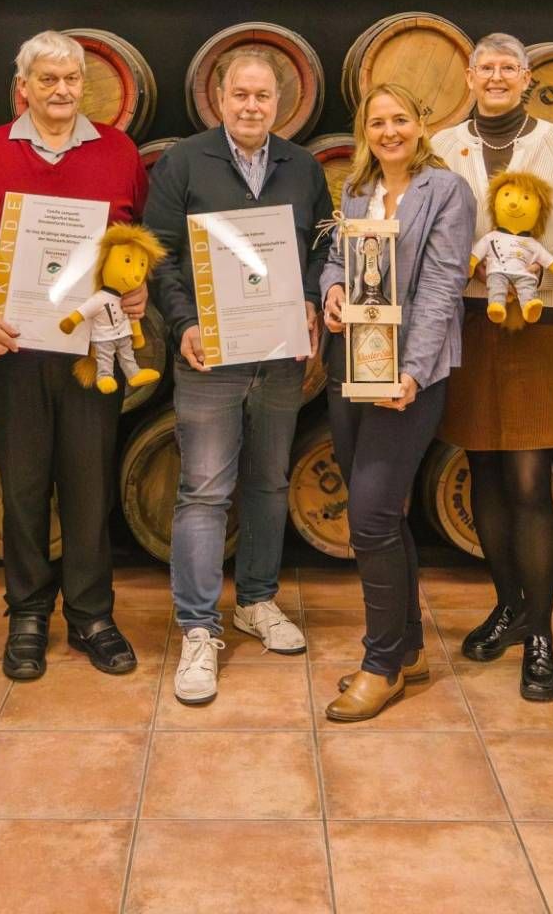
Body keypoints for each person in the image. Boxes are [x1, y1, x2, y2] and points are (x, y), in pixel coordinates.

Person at [0, 30, 149, 680]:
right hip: (12, 348)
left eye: (72, 79)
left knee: (90, 485)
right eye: (48, 79)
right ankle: (29, 614)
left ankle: (92, 615)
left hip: (93, 348)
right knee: (23, 484)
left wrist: (139, 285)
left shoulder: (119, 152)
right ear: (23, 87)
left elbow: (137, 238)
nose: (62, 90)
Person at [143, 48, 330, 705]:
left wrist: (310, 297)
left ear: (278, 103)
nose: (252, 106)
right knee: (203, 491)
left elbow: (322, 247)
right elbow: (159, 253)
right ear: (220, 99)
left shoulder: (302, 167)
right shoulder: (184, 162)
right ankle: (198, 628)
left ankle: (256, 601)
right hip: (210, 354)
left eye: (263, 96)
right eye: (241, 95)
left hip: (279, 356)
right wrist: (184, 324)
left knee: (270, 482)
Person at [432, 33, 553, 701]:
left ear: (527, 78)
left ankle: (541, 634)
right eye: (486, 67)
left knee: (529, 481)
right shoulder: (442, 145)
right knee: (485, 472)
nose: (496, 77)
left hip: (539, 324)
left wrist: (534, 268)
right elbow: (432, 231)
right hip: (470, 323)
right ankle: (509, 607)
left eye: (509, 68)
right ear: (469, 76)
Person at [319, 83, 475, 722]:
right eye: (377, 122)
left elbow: (442, 286)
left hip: (407, 376)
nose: (389, 131)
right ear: (365, 131)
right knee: (384, 517)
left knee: (371, 518)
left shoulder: (447, 191)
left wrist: (411, 371)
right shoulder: (356, 189)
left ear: (420, 125)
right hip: (350, 366)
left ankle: (380, 665)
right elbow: (337, 260)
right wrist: (332, 292)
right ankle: (407, 649)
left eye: (400, 119)